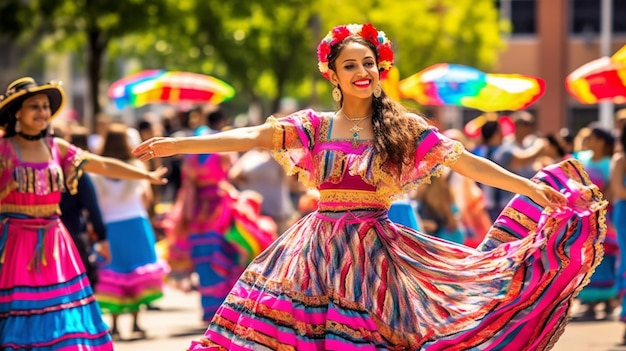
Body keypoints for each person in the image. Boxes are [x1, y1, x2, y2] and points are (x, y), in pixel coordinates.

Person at [133, 24, 607, 350]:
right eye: (351, 66)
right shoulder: (315, 126)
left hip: (377, 250)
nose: (363, 73)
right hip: (314, 250)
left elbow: (465, 162)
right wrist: (177, 145)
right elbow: (255, 134)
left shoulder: (402, 127)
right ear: (333, 75)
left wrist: (526, 185)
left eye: (369, 64)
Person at [0, 77, 167, 351]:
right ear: (17, 112)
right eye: (34, 106)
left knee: (61, 314)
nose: (42, 112)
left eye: (45, 106)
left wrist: (145, 174)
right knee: (20, 313)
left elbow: (102, 165)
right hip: (15, 244)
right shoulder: (4, 150)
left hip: (55, 243)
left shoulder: (57, 147)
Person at [90, 123, 169, 341]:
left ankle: (114, 325)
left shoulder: (97, 171)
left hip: (110, 227)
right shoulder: (136, 165)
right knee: (137, 275)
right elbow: (146, 197)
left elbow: (94, 203)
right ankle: (135, 322)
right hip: (135, 224)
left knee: (113, 274)